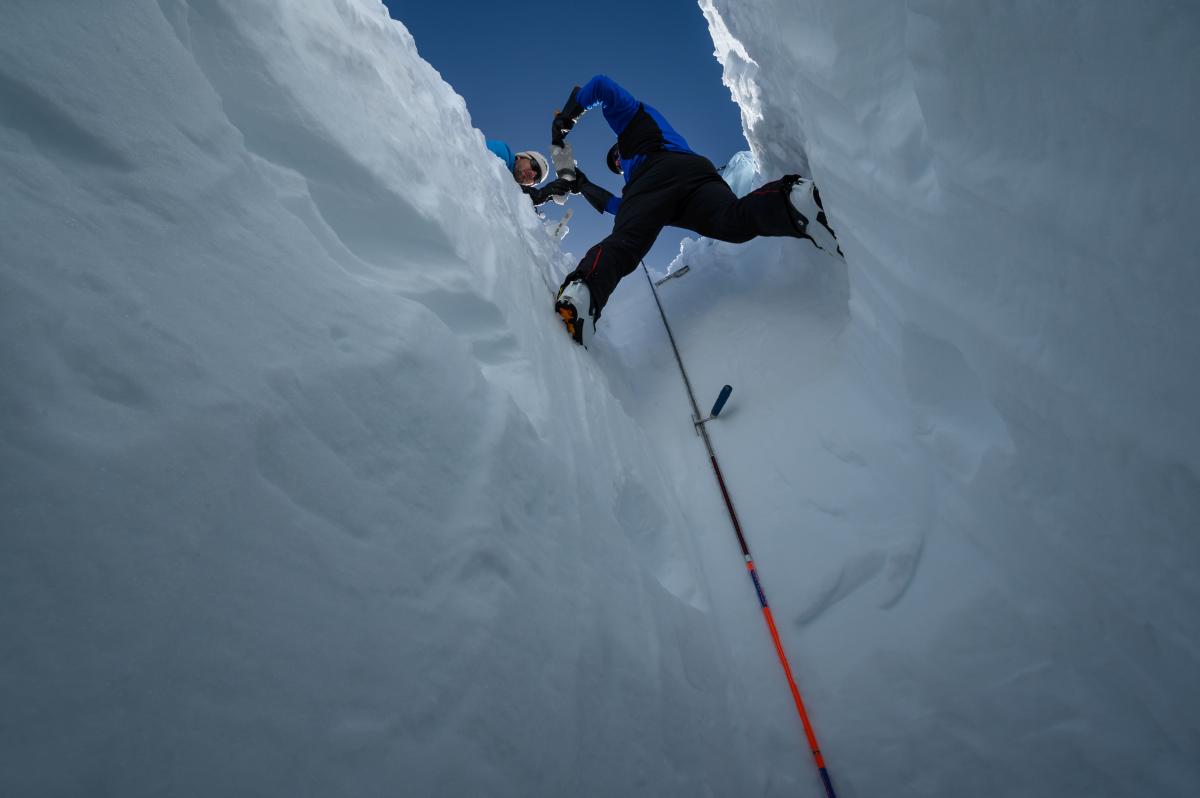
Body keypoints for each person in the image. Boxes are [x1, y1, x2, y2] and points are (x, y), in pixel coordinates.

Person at [547, 75, 840, 346]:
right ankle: (796, 203)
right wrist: (582, 185)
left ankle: (582, 292)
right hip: (694, 177)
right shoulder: (635, 171)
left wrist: (566, 119)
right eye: (616, 166)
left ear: (618, 148)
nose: (619, 163)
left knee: (626, 242)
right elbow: (618, 207)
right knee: (732, 221)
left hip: (659, 171)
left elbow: (600, 86)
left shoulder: (632, 123)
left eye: (616, 157)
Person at [484, 140, 572, 206]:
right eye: (534, 166)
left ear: (529, 186)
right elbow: (488, 176)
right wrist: (538, 195)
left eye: (536, 178)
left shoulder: (511, 196)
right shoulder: (502, 150)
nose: (532, 174)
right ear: (520, 157)